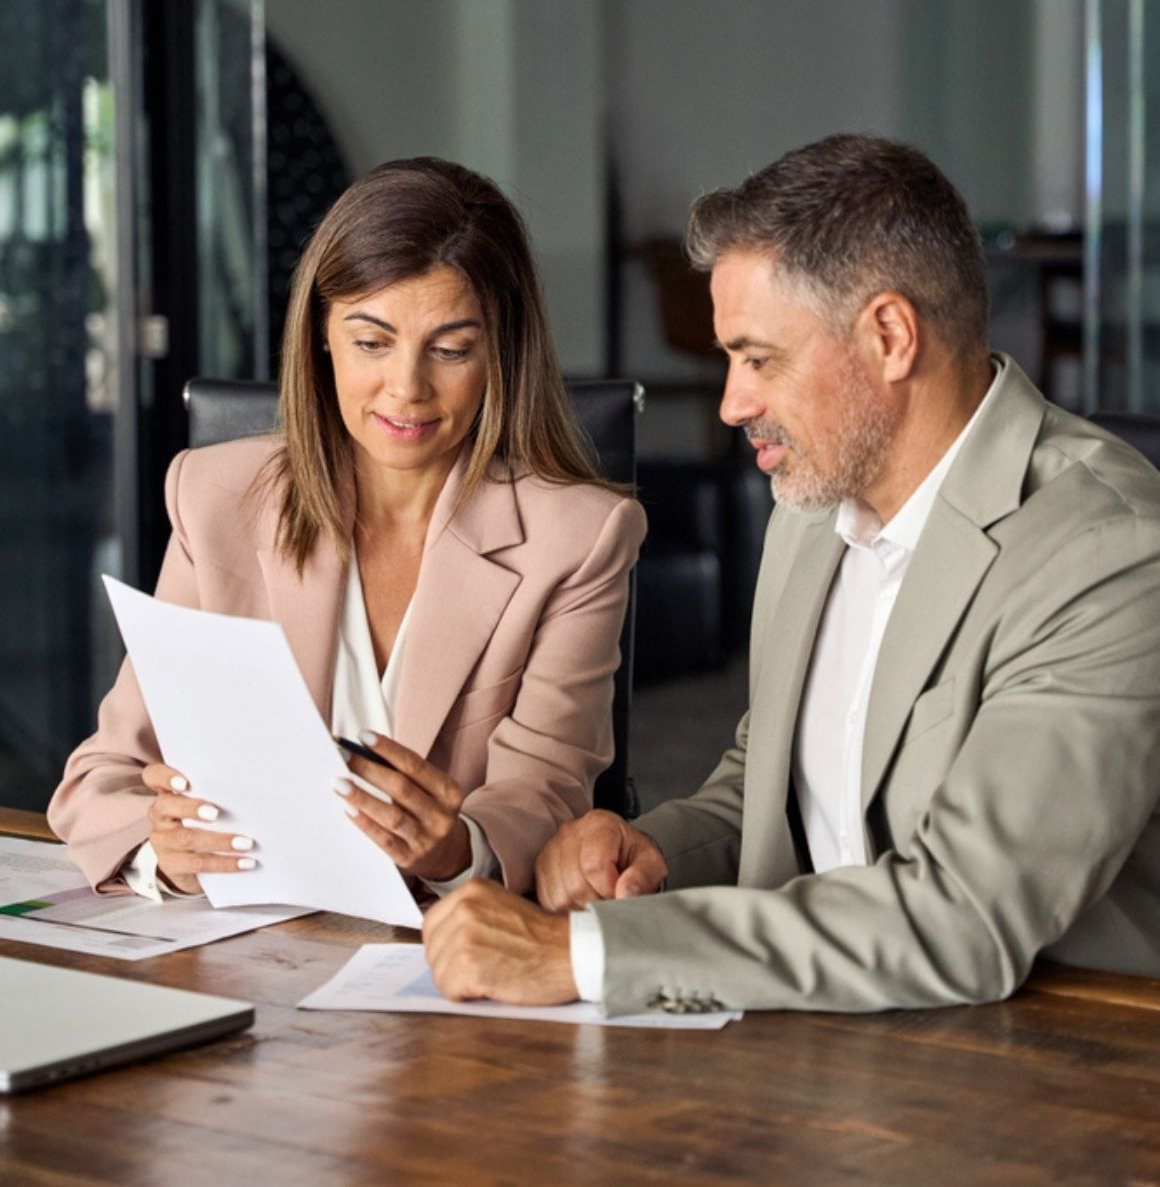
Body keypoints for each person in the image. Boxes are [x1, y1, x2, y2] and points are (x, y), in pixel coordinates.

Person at [421, 132, 1160, 1015]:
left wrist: (588, 955)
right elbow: (774, 785)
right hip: (827, 1035)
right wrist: (654, 855)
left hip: (1047, 1052)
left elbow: (963, 917)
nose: (733, 403)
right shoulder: (812, 510)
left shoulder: (1106, 553)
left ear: (890, 336)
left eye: (759, 358)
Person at [50, 157, 645, 903]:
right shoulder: (212, 497)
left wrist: (460, 847)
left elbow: (547, 790)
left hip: (442, 937)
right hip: (243, 930)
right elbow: (102, 777)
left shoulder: (580, 537)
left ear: (502, 351)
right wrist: (160, 850)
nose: (407, 388)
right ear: (321, 336)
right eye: (371, 342)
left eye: (451, 349)